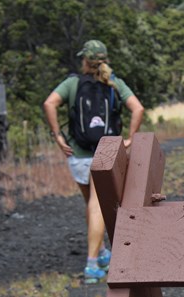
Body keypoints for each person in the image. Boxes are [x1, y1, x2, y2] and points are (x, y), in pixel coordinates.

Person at [43, 40, 144, 284]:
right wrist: (129, 139)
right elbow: (137, 108)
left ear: (85, 61)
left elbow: (49, 103)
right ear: (105, 59)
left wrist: (57, 135)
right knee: (97, 205)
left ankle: (100, 253)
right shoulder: (114, 82)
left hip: (78, 154)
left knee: (91, 203)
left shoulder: (72, 83)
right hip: (105, 154)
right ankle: (91, 264)